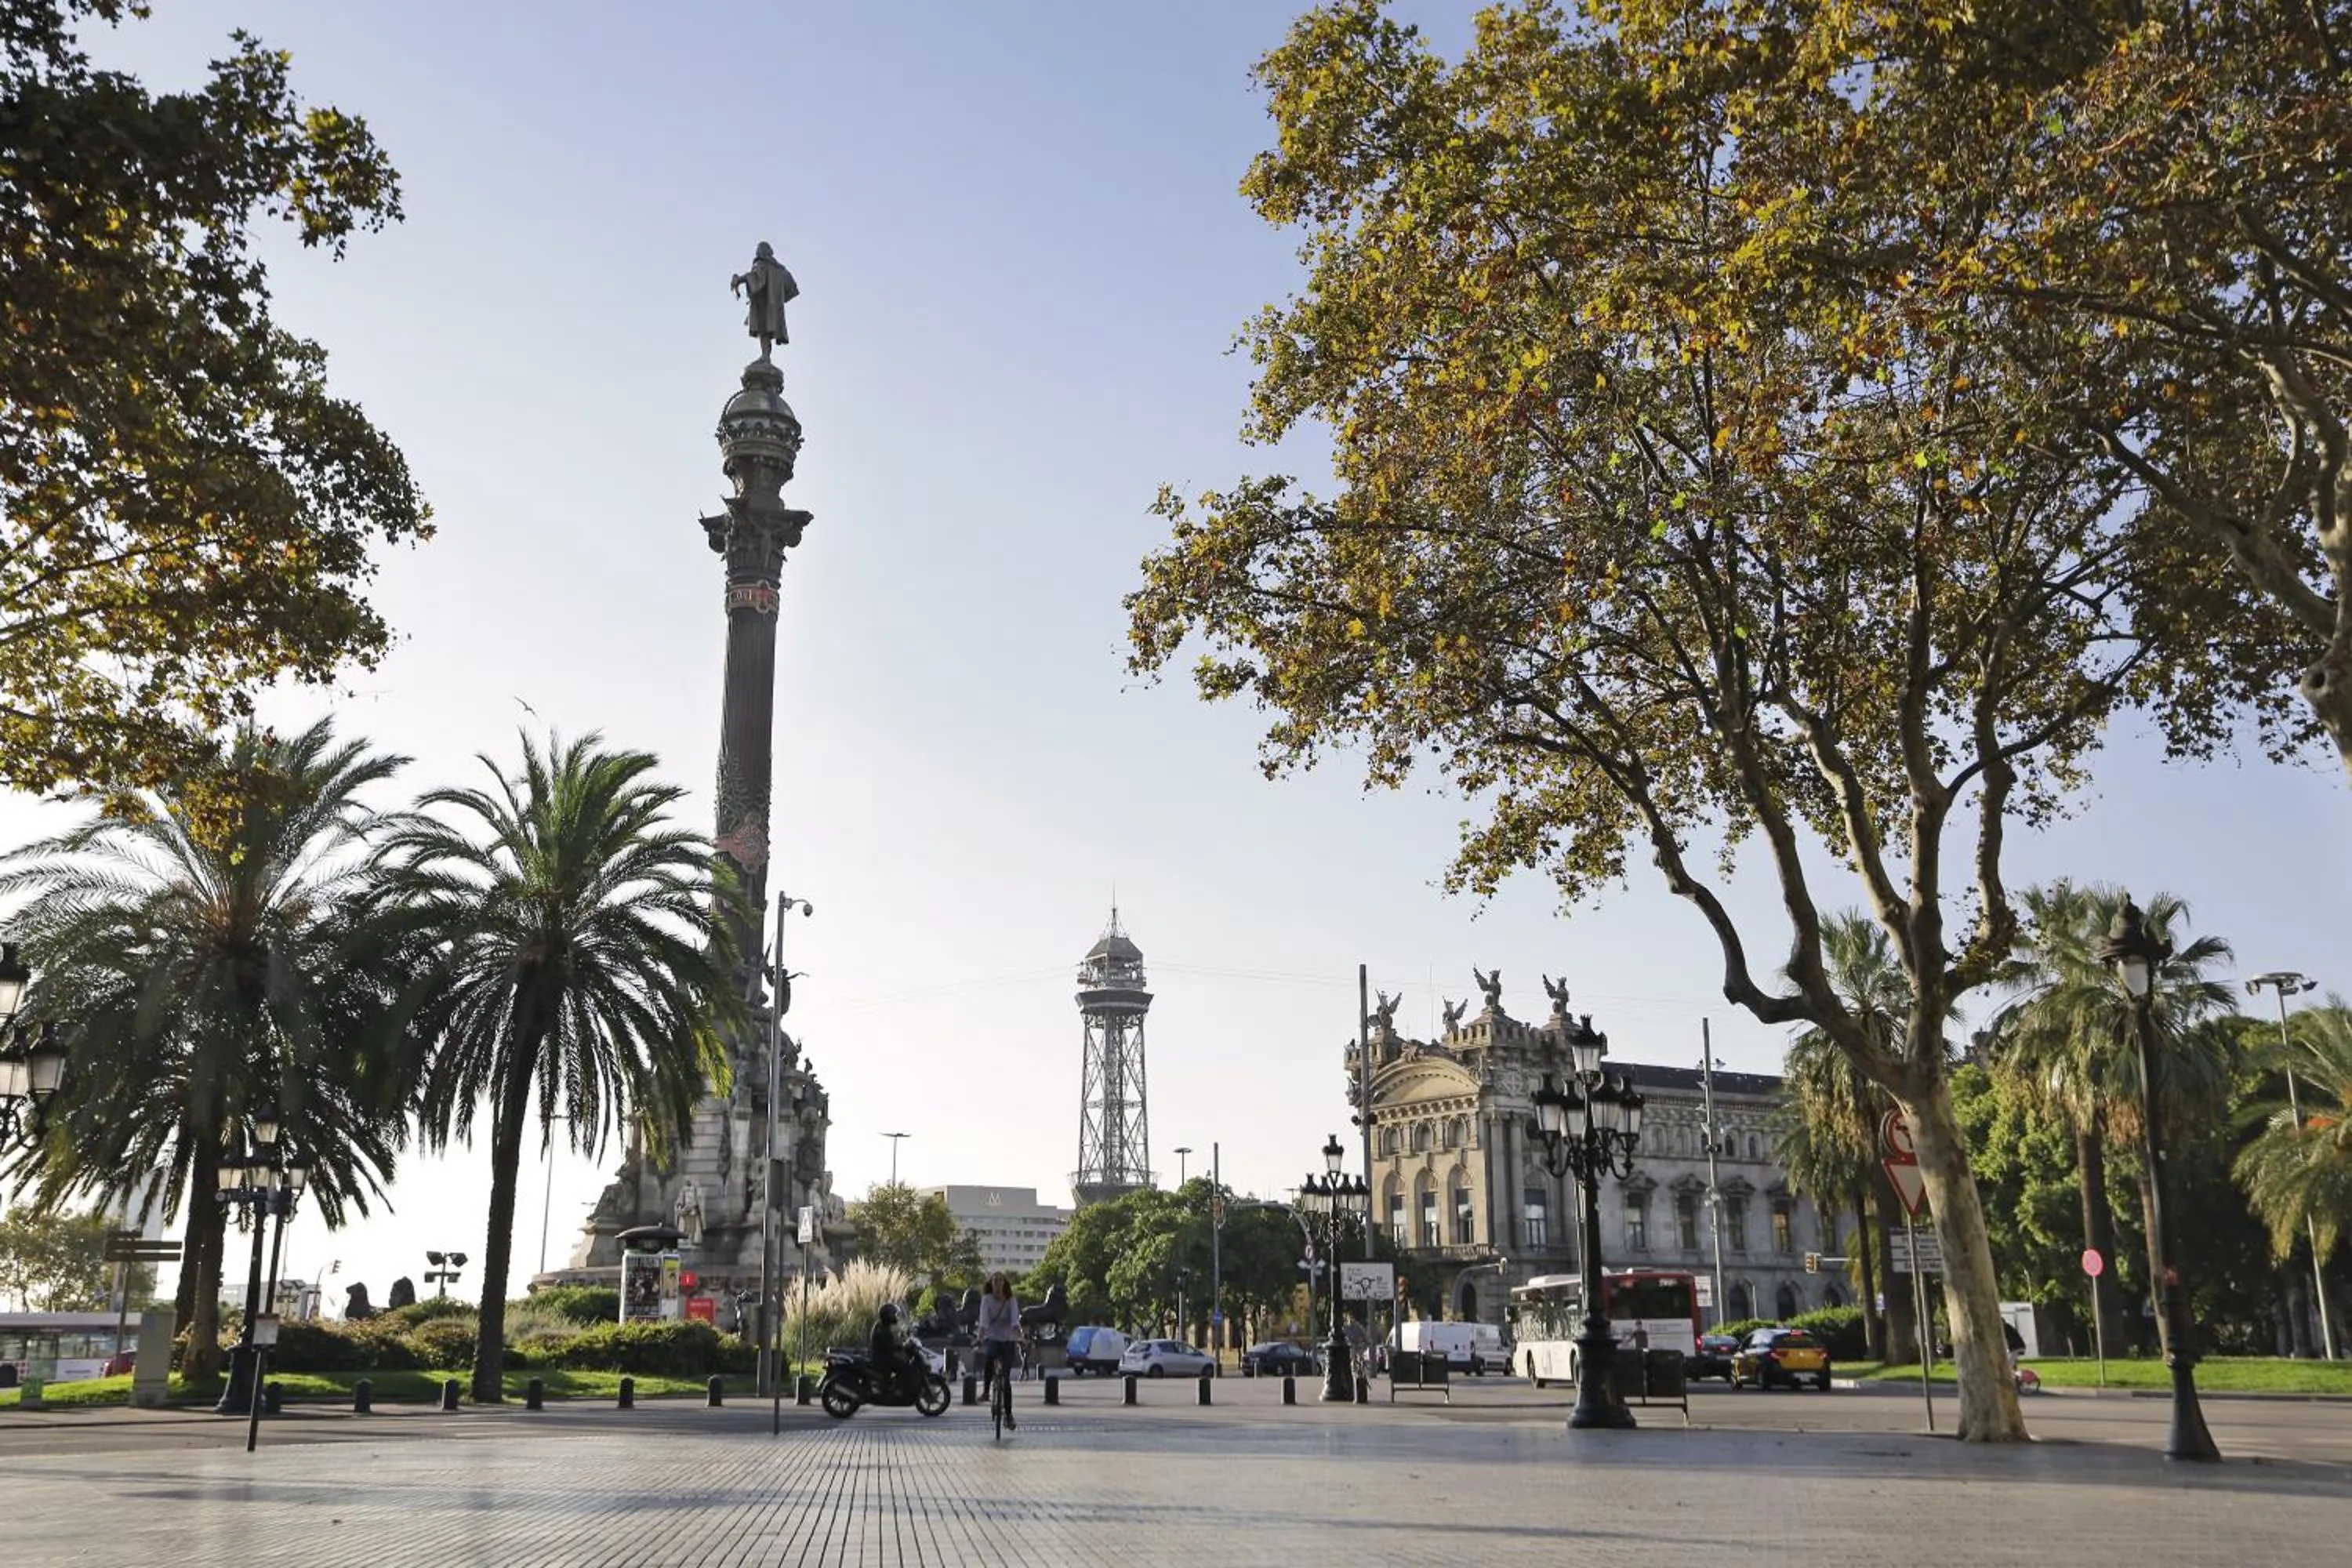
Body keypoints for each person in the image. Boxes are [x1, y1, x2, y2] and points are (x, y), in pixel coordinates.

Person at [975, 1272, 1023, 1428]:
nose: (997, 1284)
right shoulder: (986, 1300)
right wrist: (979, 1338)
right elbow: (984, 1322)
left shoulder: (1011, 1301)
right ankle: (986, 1392)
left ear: (1004, 1284)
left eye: (1000, 1281)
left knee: (1006, 1380)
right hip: (993, 1338)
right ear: (991, 1284)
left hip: (1008, 1340)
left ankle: (1009, 1416)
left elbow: (1015, 1322)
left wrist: (1021, 1337)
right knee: (989, 1357)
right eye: (994, 1281)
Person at [869, 1301, 922, 1398]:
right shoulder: (882, 1329)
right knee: (906, 1368)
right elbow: (889, 1345)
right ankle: (897, 1390)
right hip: (882, 1359)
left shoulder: (883, 1326)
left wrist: (905, 1339)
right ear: (888, 1316)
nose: (896, 1317)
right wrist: (902, 1346)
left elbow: (895, 1340)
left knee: (903, 1364)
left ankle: (895, 1387)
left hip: (885, 1357)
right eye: (894, 1315)